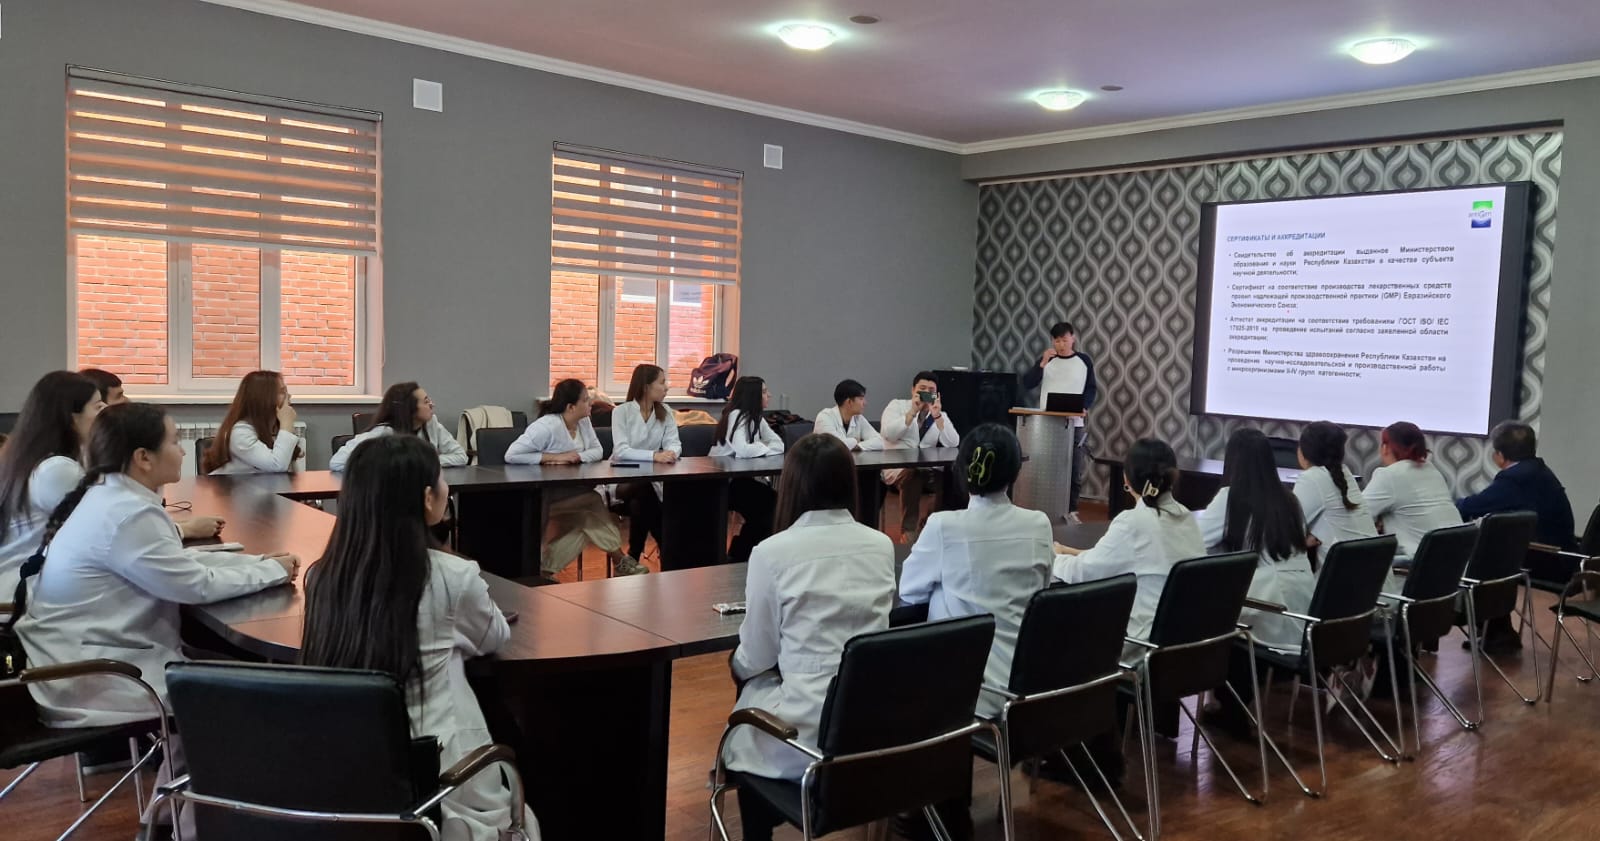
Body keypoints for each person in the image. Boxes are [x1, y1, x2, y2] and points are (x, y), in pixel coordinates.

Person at [15, 402, 297, 832]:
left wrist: (258, 564)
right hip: (98, 677)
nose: (183, 450)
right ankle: (197, 826)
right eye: (174, 441)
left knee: (226, 675)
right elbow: (193, 586)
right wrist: (271, 571)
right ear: (143, 457)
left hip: (78, 662)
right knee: (246, 695)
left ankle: (167, 817)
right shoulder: (128, 513)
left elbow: (177, 568)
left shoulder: (112, 498)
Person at [301, 435, 539, 841]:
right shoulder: (451, 576)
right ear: (428, 499)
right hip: (442, 784)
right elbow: (494, 636)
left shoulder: (323, 577)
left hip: (348, 777)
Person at [721, 433, 896, 841]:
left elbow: (758, 656)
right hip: (871, 724)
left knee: (746, 712)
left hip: (806, 733)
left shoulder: (771, 552)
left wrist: (736, 664)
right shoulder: (881, 545)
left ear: (792, 485)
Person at [898, 423, 1050, 717]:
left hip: (966, 691)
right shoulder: (1039, 524)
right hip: (1026, 685)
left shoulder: (944, 526)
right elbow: (1041, 590)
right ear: (1015, 471)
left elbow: (910, 591)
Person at [1053, 437, 1203, 646]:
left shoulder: (1134, 522)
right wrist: (1068, 551)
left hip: (1142, 645)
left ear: (1127, 478)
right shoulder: (1186, 517)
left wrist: (1054, 558)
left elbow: (1084, 573)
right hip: (1189, 644)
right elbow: (1120, 559)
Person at [505, 379, 646, 577]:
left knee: (588, 521)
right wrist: (552, 458)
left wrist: (577, 457)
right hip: (542, 499)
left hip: (572, 491)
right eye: (586, 400)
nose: (591, 404)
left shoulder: (584, 422)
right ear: (571, 407)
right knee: (593, 502)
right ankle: (619, 559)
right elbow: (512, 455)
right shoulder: (546, 426)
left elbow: (597, 451)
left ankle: (544, 570)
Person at [1456, 420, 1577, 653]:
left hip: (1551, 562)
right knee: (1497, 549)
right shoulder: (1537, 471)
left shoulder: (1516, 478)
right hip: (1565, 558)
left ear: (1499, 456)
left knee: (1484, 557)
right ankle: (1497, 631)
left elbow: (1474, 506)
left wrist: (1448, 505)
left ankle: (1494, 631)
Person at [1195, 429, 1316, 653]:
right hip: (1305, 610)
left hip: (1268, 609)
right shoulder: (1291, 500)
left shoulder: (1230, 498)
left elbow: (1194, 543)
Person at [0, 372, 106, 596]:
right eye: (98, 407)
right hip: (23, 591)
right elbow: (102, 533)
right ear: (71, 417)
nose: (105, 413)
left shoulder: (26, 457)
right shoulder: (56, 470)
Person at [1021, 321, 1098, 519]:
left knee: (1073, 469)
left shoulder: (1083, 360)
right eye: (1057, 341)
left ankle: (1071, 510)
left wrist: (1084, 406)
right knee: (1044, 466)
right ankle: (1042, 509)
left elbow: (1091, 388)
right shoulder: (1047, 359)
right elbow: (1027, 383)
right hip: (1046, 423)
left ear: (1073, 338)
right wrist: (1042, 364)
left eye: (1064, 340)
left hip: (1074, 422)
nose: (1061, 344)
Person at [1362, 422, 1463, 564]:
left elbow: (1357, 518)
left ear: (1386, 448)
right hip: (1455, 562)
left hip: (1419, 564)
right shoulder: (1431, 470)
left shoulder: (1389, 475)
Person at [610, 364, 682, 561]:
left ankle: (633, 556)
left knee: (641, 502)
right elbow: (621, 451)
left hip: (651, 482)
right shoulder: (621, 412)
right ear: (646, 387)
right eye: (662, 382)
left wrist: (671, 453)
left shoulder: (665, 411)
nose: (666, 387)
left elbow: (674, 443)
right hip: (622, 479)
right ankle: (668, 550)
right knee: (643, 490)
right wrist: (654, 456)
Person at [709, 376, 782, 563]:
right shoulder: (736, 415)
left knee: (773, 503)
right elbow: (743, 450)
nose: (769, 395)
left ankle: (741, 552)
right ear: (753, 396)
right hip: (720, 483)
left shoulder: (756, 417)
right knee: (768, 506)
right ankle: (740, 554)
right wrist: (763, 447)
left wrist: (758, 447)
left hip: (740, 480)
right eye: (764, 392)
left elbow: (779, 444)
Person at [880, 371, 960, 542]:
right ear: (913, 390)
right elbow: (888, 434)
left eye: (931, 391)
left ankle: (928, 524)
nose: (926, 393)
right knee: (914, 474)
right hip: (899, 468)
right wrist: (912, 412)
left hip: (928, 468)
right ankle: (908, 532)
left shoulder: (938, 414)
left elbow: (953, 442)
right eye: (922, 389)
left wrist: (937, 415)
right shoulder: (897, 406)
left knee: (952, 478)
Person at [329, 381, 468, 471]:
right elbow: (337, 462)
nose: (432, 405)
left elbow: (461, 456)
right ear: (410, 408)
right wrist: (386, 466)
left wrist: (424, 461)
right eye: (426, 402)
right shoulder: (383, 432)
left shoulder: (432, 424)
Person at [1293, 421, 1379, 566]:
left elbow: (1287, 535)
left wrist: (1302, 542)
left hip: (1343, 573)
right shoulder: (1345, 474)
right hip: (1371, 570)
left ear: (1303, 451)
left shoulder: (1311, 478)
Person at [202, 370, 304, 475]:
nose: (289, 396)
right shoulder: (240, 433)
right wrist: (286, 425)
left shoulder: (272, 428)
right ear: (264, 398)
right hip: (232, 485)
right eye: (282, 392)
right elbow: (277, 465)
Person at [814, 379, 884, 451]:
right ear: (849, 402)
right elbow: (835, 446)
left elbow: (881, 441)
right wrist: (855, 440)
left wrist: (858, 446)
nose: (865, 403)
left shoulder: (858, 418)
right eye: (861, 399)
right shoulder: (825, 417)